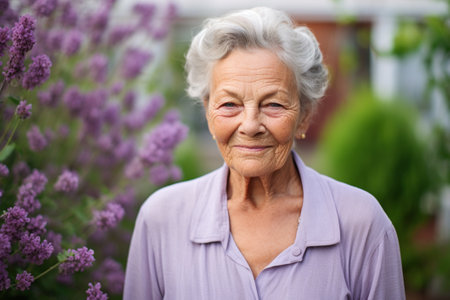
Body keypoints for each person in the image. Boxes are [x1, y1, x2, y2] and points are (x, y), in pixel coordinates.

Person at [124, 7, 405, 300]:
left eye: (273, 105)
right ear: (208, 112)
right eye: (229, 104)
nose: (250, 125)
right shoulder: (161, 219)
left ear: (305, 116)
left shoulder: (362, 223)